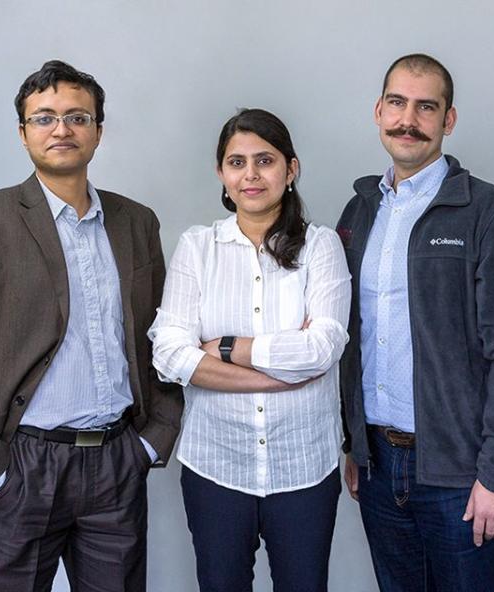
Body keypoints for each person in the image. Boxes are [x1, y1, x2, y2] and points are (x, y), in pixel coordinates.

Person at [0, 60, 182, 591]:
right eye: (44, 118)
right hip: (23, 467)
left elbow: (162, 340)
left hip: (117, 462)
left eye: (77, 117)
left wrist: (152, 440)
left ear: (98, 131)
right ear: (23, 133)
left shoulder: (136, 222)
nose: (61, 129)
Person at [336, 53, 494, 591]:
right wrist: (354, 443)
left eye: (426, 107)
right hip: (378, 466)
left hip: (461, 473)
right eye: (398, 103)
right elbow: (350, 339)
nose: (409, 120)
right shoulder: (359, 213)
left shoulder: (489, 213)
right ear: (379, 111)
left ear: (448, 120)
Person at [148, 108, 350, 591]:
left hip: (304, 467)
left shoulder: (321, 246)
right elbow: (169, 354)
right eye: (237, 162)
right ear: (221, 173)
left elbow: (322, 348)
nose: (251, 175)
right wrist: (277, 375)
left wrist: (225, 347)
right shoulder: (198, 247)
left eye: (265, 160)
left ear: (291, 169)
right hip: (215, 466)